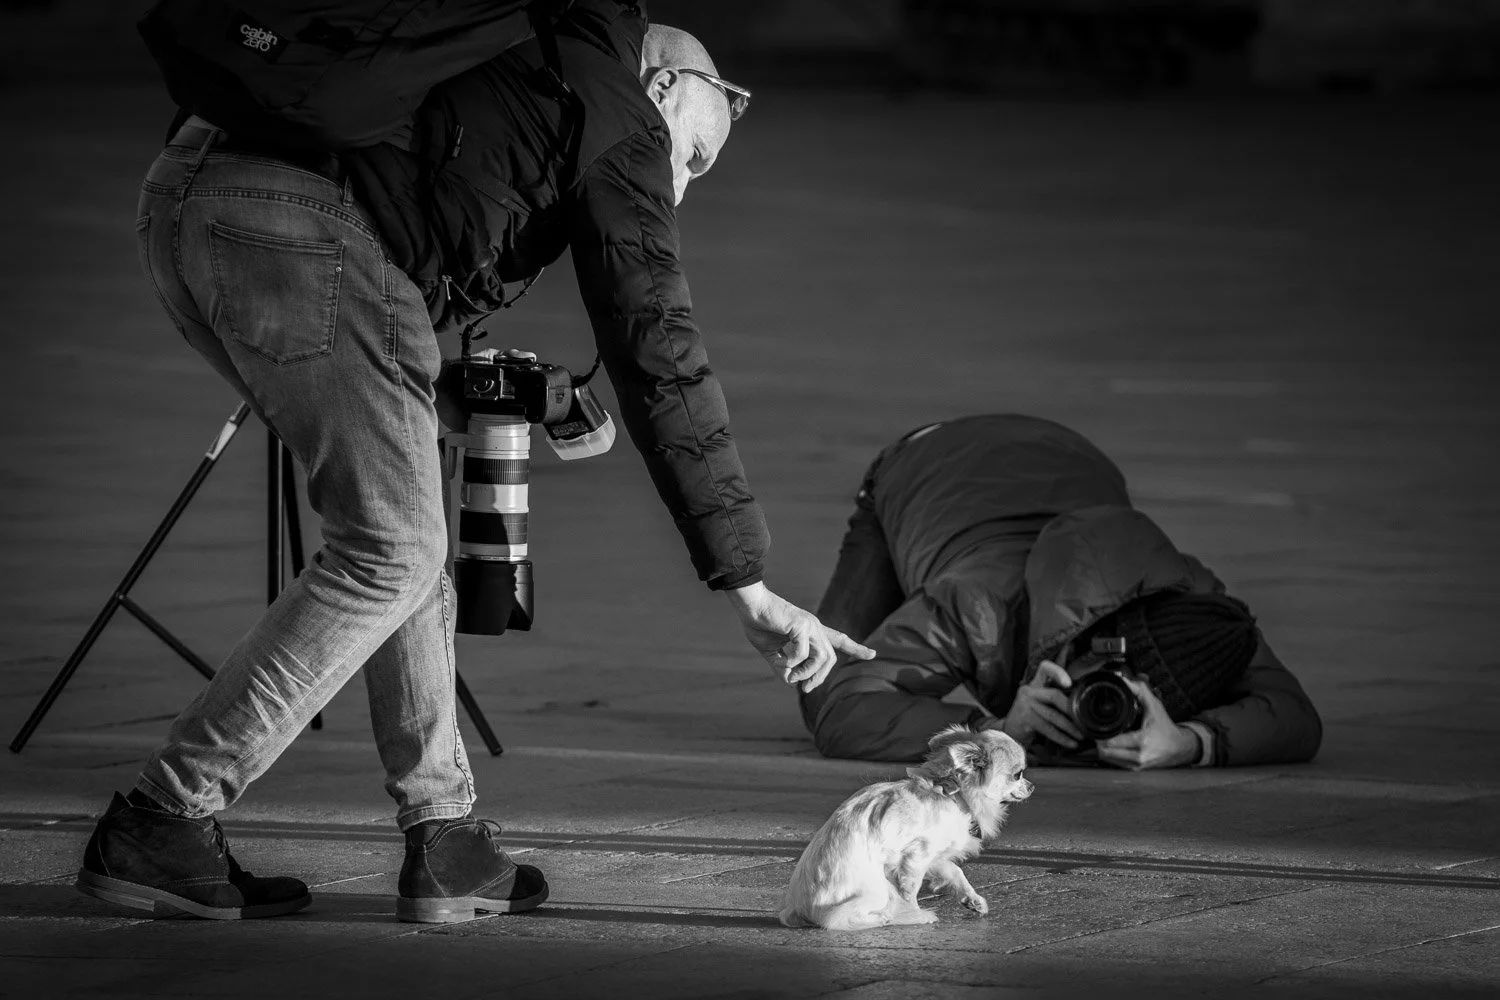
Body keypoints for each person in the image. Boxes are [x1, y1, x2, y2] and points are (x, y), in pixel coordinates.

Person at [78, 2, 872, 924]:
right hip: (293, 222)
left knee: (404, 529)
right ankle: (166, 814)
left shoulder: (526, 48)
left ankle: (444, 838)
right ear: (665, 87)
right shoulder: (616, 107)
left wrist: (435, 375)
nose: (679, 187)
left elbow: (419, 187)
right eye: (691, 157)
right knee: (391, 548)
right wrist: (747, 582)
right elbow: (659, 344)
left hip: (190, 198)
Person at [799, 414, 1322, 769]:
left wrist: (1189, 741)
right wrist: (995, 729)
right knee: (819, 676)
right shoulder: (979, 605)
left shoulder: (1196, 601)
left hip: (1070, 455)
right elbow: (845, 712)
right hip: (924, 464)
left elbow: (1295, 713)